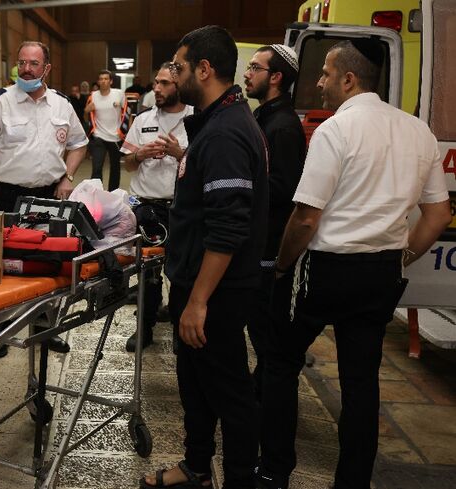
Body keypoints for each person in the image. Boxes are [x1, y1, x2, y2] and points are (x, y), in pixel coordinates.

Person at [256, 39, 451, 489]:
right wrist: (400, 256)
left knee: (280, 362)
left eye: (325, 74)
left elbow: (306, 216)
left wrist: (284, 265)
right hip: (380, 272)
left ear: (348, 79)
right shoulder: (419, 132)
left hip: (325, 269)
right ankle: (353, 481)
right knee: (361, 382)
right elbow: (438, 214)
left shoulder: (335, 130)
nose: (320, 83)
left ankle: (274, 470)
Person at [140, 26, 267, 489]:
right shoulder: (214, 124)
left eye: (178, 66)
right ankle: (196, 467)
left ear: (204, 70)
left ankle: (238, 479)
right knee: (195, 385)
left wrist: (197, 302)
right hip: (197, 283)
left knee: (230, 394)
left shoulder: (227, 134)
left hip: (217, 292)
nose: (172, 74)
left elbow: (228, 229)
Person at [0, 40, 88, 357]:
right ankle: (1, 330)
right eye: (21, 63)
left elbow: (79, 144)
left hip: (49, 196)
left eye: (33, 64)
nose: (26, 69)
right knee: (4, 265)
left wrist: (68, 177)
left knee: (48, 265)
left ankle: (45, 329)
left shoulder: (62, 105)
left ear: (46, 68)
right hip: (8, 194)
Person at [242, 44, 306, 401]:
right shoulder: (264, 116)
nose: (247, 74)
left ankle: (270, 403)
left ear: (276, 77)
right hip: (259, 243)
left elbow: (282, 190)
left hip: (269, 248)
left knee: (267, 332)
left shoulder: (281, 126)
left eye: (255, 67)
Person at [119, 63, 193, 352]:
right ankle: (145, 326)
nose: (157, 89)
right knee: (148, 272)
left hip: (181, 209)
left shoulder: (195, 119)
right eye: (156, 83)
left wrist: (181, 154)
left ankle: (179, 328)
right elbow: (126, 163)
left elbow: (207, 164)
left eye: (164, 84)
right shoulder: (143, 120)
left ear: (180, 86)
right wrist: (139, 154)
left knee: (181, 273)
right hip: (147, 207)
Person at [85, 70, 128, 191]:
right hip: (98, 136)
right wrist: (86, 111)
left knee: (115, 168)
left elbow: (126, 115)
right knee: (97, 167)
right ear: (98, 81)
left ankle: (113, 193)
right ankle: (96, 192)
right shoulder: (93, 96)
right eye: (101, 79)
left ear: (111, 81)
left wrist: (125, 134)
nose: (103, 81)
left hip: (115, 136)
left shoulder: (119, 94)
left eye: (106, 79)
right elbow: (86, 116)